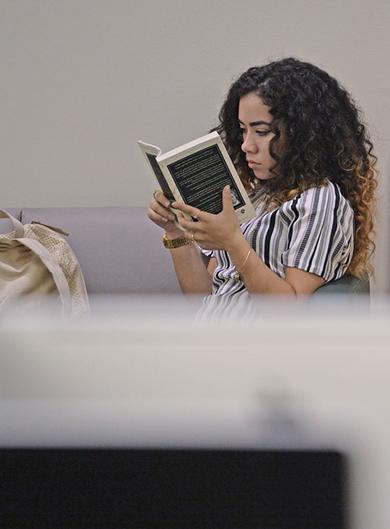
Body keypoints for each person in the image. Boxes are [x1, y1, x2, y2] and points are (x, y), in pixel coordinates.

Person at [147, 58, 377, 315]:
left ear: (302, 134)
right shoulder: (256, 196)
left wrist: (233, 242)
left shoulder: (319, 201)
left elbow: (287, 311)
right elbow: (205, 299)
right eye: (243, 130)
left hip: (254, 350)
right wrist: (176, 231)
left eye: (263, 131)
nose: (246, 145)